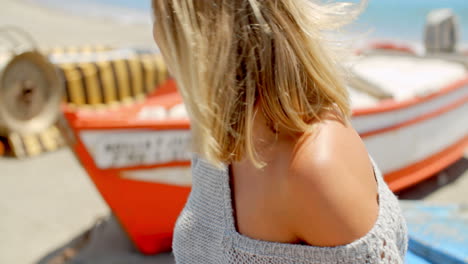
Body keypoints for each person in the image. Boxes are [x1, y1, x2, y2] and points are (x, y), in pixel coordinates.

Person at [152, 0, 408, 263]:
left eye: (161, 18)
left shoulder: (312, 169)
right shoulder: (220, 127)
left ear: (199, 35)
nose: (157, 35)